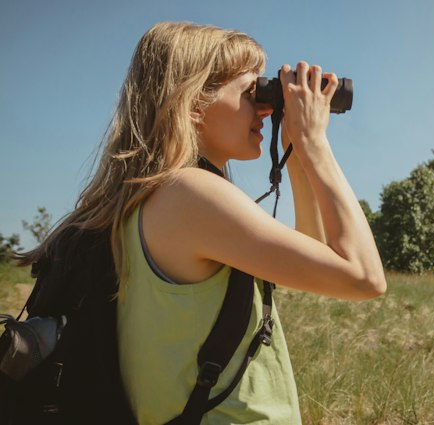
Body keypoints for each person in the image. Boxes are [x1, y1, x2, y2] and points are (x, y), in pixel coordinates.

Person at [16, 21, 386, 424]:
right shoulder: (190, 194)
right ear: (193, 105)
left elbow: (316, 264)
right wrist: (315, 142)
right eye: (251, 92)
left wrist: (295, 151)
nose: (265, 108)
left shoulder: (152, 196)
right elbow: (364, 277)